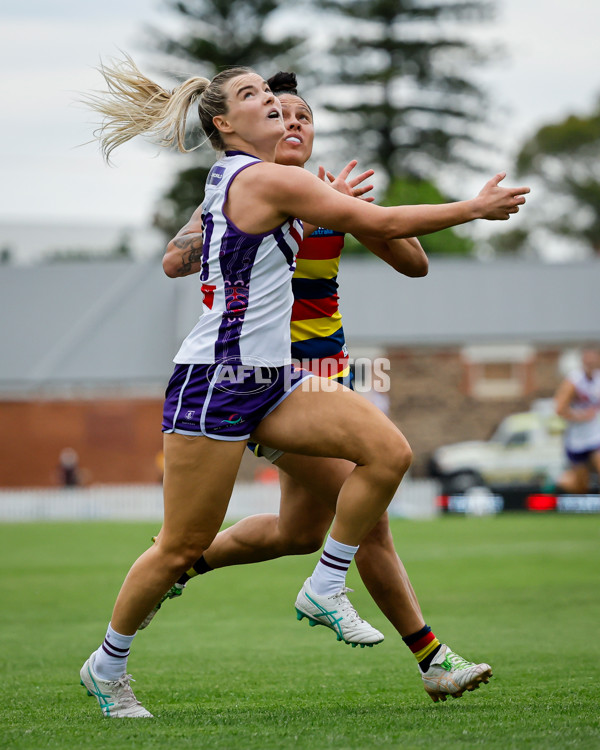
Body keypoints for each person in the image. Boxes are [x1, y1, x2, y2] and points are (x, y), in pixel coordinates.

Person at [79, 55, 528, 718]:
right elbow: (372, 227)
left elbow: (396, 248)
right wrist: (475, 206)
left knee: (386, 455)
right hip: (218, 382)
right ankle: (107, 665)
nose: (279, 107)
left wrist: (342, 206)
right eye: (258, 97)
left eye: (289, 105)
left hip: (281, 379)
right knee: (181, 543)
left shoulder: (274, 182)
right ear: (228, 125)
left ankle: (326, 585)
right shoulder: (256, 180)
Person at [554, 347, 600, 494]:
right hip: (577, 439)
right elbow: (560, 409)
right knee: (581, 487)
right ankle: (556, 481)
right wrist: (581, 416)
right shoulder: (574, 381)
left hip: (596, 436)